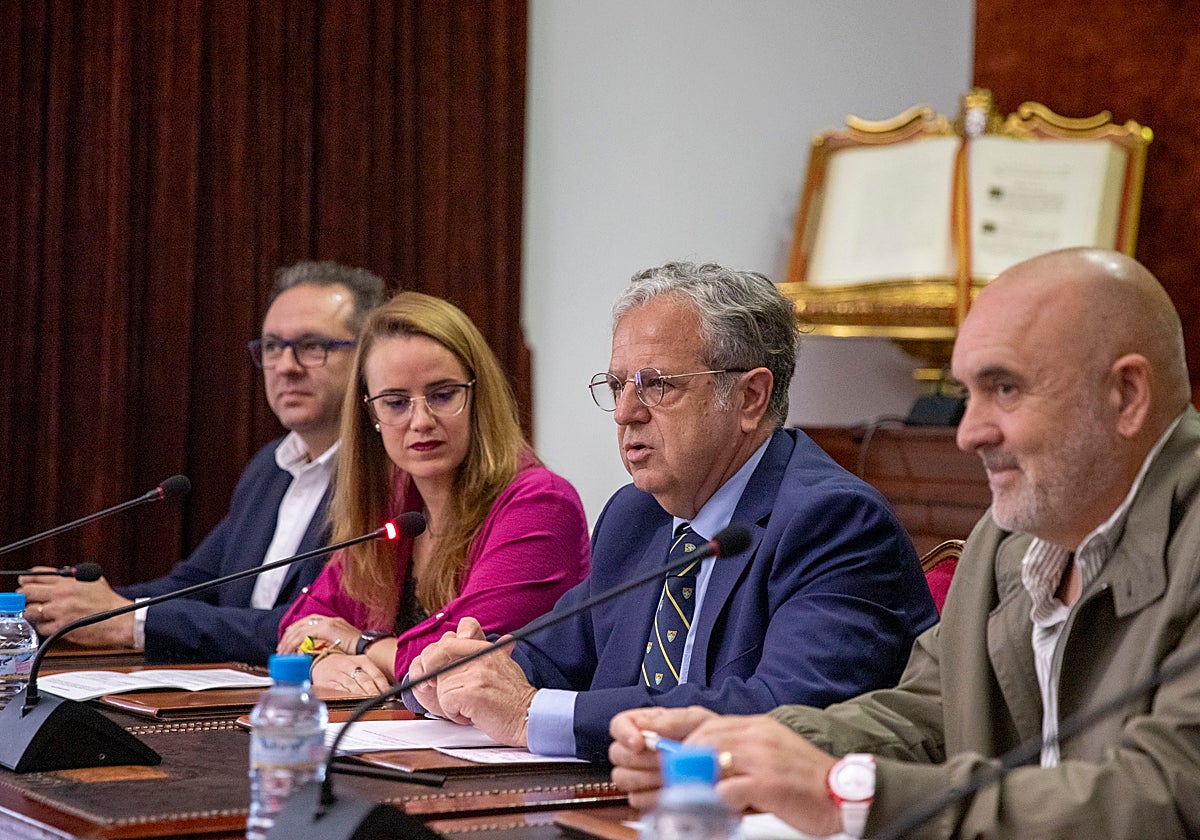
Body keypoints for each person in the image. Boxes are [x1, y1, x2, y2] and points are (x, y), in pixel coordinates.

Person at [609, 247, 1200, 839]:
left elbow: (1165, 800)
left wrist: (851, 792)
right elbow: (926, 714)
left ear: (1126, 395)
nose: (969, 433)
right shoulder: (1007, 538)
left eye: (1005, 389)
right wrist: (743, 747)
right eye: (968, 394)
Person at [406, 261, 938, 761]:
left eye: (655, 385)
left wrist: (529, 712)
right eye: (618, 386)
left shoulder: (834, 522)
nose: (624, 413)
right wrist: (454, 676)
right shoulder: (637, 516)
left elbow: (784, 712)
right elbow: (548, 659)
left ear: (750, 397)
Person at [18, 261, 384, 665]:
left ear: (369, 359)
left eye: (312, 346)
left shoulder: (384, 479)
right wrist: (76, 605)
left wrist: (129, 621)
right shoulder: (269, 467)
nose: (285, 366)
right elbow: (197, 583)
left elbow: (308, 627)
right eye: (272, 347)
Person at [277, 291, 591, 695]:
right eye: (395, 402)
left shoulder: (542, 504)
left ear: (478, 397)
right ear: (371, 413)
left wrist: (360, 644)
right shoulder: (395, 502)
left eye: (442, 395)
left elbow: (456, 659)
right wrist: (325, 661)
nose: (421, 421)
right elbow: (301, 625)